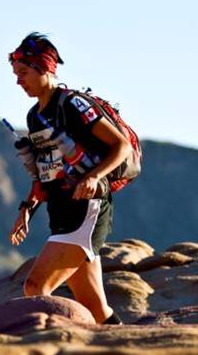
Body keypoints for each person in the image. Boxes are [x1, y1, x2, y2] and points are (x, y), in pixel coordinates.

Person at [8, 33, 130, 325]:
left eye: (23, 73)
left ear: (43, 68)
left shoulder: (73, 104)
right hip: (60, 212)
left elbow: (121, 146)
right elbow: (44, 172)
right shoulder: (34, 117)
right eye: (15, 75)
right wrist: (27, 209)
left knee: (35, 287)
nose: (18, 81)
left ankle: (48, 347)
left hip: (85, 210)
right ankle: (124, 347)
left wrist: (93, 176)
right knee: (96, 310)